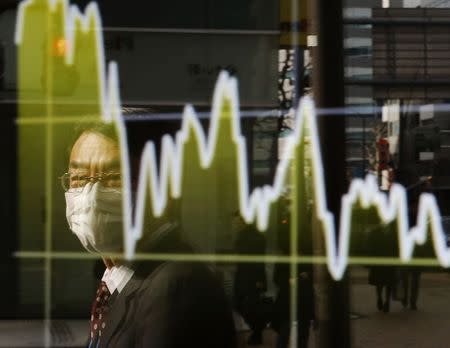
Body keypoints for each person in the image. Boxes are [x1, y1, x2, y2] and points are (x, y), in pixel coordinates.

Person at [61, 123, 237, 347]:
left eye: (115, 177)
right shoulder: (121, 278)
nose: (92, 197)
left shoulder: (176, 289)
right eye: (79, 178)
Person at [232, 213, 267, 346]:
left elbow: (258, 260)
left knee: (246, 305)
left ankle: (258, 330)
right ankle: (258, 330)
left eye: (236, 223)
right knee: (242, 304)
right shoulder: (245, 237)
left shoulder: (251, 238)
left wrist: (259, 280)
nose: (234, 226)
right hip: (246, 277)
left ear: (243, 222)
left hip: (249, 278)